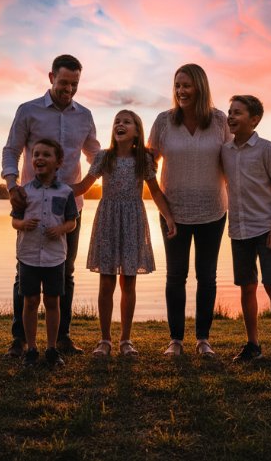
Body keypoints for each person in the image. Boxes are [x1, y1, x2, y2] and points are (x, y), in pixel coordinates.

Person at [2, 54, 100, 357]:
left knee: (65, 272)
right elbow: (12, 149)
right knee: (24, 272)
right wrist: (10, 185)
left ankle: (61, 339)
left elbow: (94, 153)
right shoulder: (28, 111)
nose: (68, 89)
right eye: (63, 83)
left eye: (74, 84)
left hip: (70, 206)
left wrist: (87, 184)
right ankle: (19, 340)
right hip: (31, 203)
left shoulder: (84, 115)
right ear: (50, 78)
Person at [71, 110, 177, 358]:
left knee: (128, 282)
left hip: (132, 221)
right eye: (117, 121)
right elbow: (83, 186)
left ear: (137, 131)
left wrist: (169, 218)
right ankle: (104, 340)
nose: (120, 124)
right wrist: (55, 187)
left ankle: (125, 340)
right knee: (106, 281)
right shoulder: (104, 157)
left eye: (126, 122)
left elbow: (156, 193)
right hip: (108, 220)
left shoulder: (143, 160)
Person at [148, 63, 231, 358]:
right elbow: (148, 164)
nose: (181, 91)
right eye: (177, 86)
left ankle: (203, 340)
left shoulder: (220, 121)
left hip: (213, 211)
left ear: (200, 87)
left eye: (186, 85)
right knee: (176, 276)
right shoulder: (163, 122)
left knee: (207, 276)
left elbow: (237, 155)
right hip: (173, 213)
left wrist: (269, 152)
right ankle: (176, 340)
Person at [221, 95, 271, 365]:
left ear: (254, 119)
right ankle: (253, 344)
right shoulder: (224, 150)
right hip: (238, 230)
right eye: (229, 112)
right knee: (246, 288)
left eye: (237, 112)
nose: (231, 116)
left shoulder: (266, 149)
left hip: (265, 228)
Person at [11, 139, 79, 368]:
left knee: (52, 301)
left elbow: (72, 222)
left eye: (46, 155)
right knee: (30, 301)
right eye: (36, 155)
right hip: (28, 254)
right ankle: (31, 349)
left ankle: (51, 348)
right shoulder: (24, 192)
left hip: (54, 257)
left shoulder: (66, 192)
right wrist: (23, 224)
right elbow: (14, 221)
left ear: (58, 162)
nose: (39, 158)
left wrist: (60, 229)